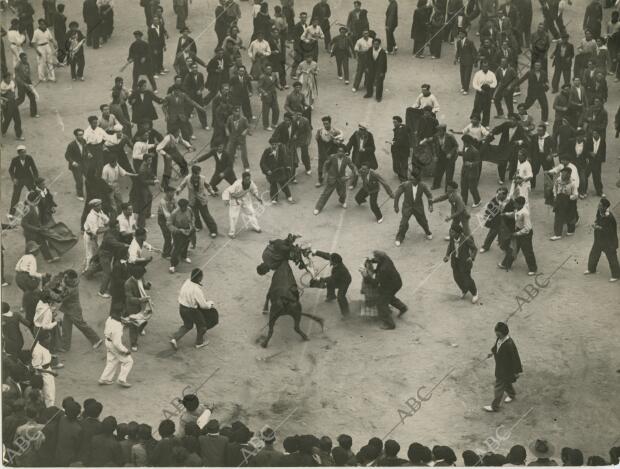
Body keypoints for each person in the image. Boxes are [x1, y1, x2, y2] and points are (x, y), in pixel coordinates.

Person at [53, 269, 102, 351]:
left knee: (82, 325)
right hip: (69, 309)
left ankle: (96, 340)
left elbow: (59, 298)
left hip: (73, 311)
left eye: (66, 277)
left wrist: (51, 292)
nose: (65, 278)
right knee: (66, 327)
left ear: (71, 279)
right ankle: (65, 346)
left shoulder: (70, 290)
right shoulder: (71, 282)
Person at [170, 268, 217, 350]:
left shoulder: (187, 282)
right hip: (192, 311)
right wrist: (210, 304)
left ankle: (174, 339)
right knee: (202, 325)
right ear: (199, 278)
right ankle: (199, 343)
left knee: (187, 325)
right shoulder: (196, 290)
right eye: (201, 277)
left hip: (182, 308)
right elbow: (203, 306)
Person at [483, 321, 522, 412]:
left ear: (503, 334)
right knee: (507, 382)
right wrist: (492, 352)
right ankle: (512, 394)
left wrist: (516, 371)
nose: (496, 335)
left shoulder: (509, 344)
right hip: (501, 367)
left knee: (498, 387)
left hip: (506, 370)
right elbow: (496, 346)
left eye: (498, 334)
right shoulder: (499, 338)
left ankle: (495, 406)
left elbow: (515, 358)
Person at [499, 195, 538, 275]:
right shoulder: (518, 209)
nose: (514, 204)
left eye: (515, 203)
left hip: (525, 234)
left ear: (520, 204)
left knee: (527, 251)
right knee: (513, 248)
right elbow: (514, 214)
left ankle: (533, 269)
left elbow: (527, 228)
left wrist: (517, 234)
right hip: (518, 231)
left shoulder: (525, 213)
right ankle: (506, 264)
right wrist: (505, 214)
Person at [368, 250, 407, 329]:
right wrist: (370, 261)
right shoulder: (386, 258)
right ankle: (402, 307)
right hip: (396, 282)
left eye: (375, 257)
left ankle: (390, 324)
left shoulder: (383, 269)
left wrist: (366, 275)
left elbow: (375, 283)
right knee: (388, 296)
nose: (375, 259)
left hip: (390, 286)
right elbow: (378, 261)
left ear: (379, 258)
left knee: (382, 304)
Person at [177, 165, 218, 238]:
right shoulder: (187, 178)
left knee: (206, 215)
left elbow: (208, 186)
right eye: (195, 173)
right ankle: (198, 226)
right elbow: (181, 186)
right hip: (192, 200)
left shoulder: (202, 178)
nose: (197, 175)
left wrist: (212, 192)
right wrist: (178, 190)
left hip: (202, 200)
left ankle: (213, 230)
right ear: (192, 173)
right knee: (195, 215)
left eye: (198, 173)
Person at [314, 146, 357, 214]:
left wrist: (353, 173)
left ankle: (342, 201)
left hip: (341, 178)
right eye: (338, 151)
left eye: (341, 151)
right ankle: (318, 208)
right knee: (326, 194)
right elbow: (325, 164)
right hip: (332, 178)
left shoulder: (347, 159)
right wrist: (324, 173)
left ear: (344, 153)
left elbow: (353, 166)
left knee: (343, 193)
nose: (340, 153)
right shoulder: (332, 157)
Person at [585, 197, 619, 282]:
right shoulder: (599, 212)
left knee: (612, 258)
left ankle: (616, 275)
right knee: (594, 253)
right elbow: (597, 219)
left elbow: (610, 231)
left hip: (609, 241)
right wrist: (596, 224)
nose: (598, 207)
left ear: (605, 207)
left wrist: (599, 227)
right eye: (598, 205)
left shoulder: (610, 218)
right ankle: (591, 269)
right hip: (599, 239)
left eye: (600, 206)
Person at [394, 171, 433, 245]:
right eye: (410, 178)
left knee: (423, 221)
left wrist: (430, 206)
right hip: (407, 207)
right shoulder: (405, 184)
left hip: (418, 207)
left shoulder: (423, 185)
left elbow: (429, 196)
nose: (410, 180)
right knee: (403, 223)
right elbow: (397, 195)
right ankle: (399, 237)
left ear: (418, 180)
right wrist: (396, 206)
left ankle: (427, 232)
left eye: (413, 179)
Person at [444, 223, 479, 303]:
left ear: (458, 233)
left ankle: (475, 293)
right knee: (457, 278)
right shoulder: (452, 238)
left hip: (464, 262)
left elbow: (474, 249)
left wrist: (472, 257)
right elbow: (450, 246)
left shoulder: (466, 239)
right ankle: (464, 289)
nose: (450, 233)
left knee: (467, 279)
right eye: (450, 231)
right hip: (455, 262)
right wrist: (447, 255)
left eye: (452, 232)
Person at [222, 171, 263, 238]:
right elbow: (227, 191)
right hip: (235, 199)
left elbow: (254, 190)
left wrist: (257, 197)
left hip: (245, 197)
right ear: (243, 179)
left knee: (251, 212)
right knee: (233, 217)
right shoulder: (237, 184)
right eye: (246, 179)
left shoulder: (251, 182)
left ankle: (256, 227)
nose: (248, 181)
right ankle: (231, 233)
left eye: (249, 179)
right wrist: (226, 200)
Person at [99, 313, 133, 387]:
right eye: (127, 319)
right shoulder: (118, 328)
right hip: (114, 345)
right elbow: (117, 344)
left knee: (112, 361)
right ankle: (121, 379)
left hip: (107, 341)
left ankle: (104, 378)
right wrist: (125, 351)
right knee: (128, 361)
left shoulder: (110, 318)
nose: (128, 321)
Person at [260, 140, 294, 204]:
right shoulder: (267, 151)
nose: (274, 146)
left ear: (277, 144)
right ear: (270, 145)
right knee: (273, 184)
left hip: (280, 171)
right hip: (271, 172)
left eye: (275, 144)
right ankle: (274, 197)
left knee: (283, 183)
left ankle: (288, 195)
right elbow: (262, 163)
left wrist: (287, 166)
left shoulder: (281, 151)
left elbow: (285, 159)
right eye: (272, 144)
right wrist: (267, 170)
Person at [8, 144, 38, 217]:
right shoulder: (14, 160)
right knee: (15, 196)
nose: (24, 154)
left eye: (25, 152)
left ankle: (27, 207)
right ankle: (11, 213)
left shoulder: (29, 158)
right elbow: (10, 170)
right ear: (19, 153)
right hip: (19, 180)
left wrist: (36, 180)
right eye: (22, 153)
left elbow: (34, 169)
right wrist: (14, 178)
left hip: (28, 179)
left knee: (34, 193)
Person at [550, 166, 578, 240]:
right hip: (560, 199)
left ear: (569, 175)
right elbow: (554, 188)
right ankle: (558, 234)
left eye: (564, 174)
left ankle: (571, 230)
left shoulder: (573, 183)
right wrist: (555, 195)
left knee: (570, 216)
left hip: (569, 200)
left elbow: (575, 195)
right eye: (562, 174)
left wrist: (568, 198)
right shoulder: (558, 180)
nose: (562, 176)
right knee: (558, 216)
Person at [168, 198, 195, 273]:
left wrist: (192, 225)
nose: (184, 208)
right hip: (178, 231)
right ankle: (173, 265)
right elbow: (169, 224)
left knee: (186, 244)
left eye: (185, 206)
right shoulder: (174, 213)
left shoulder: (189, 209)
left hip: (187, 229)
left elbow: (192, 217)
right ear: (179, 206)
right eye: (182, 207)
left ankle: (184, 256)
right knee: (177, 248)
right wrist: (178, 230)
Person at [315, 115, 343, 187]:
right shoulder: (320, 131)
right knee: (321, 166)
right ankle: (320, 180)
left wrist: (336, 141)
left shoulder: (335, 131)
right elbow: (317, 139)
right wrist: (318, 136)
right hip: (323, 151)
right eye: (324, 124)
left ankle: (334, 179)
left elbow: (340, 141)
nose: (325, 125)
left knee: (333, 166)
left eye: (327, 123)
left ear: (330, 123)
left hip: (332, 151)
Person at [83, 199, 109, 272]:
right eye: (97, 205)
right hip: (90, 237)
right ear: (93, 207)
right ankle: (87, 270)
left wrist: (107, 223)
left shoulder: (100, 212)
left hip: (98, 237)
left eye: (100, 204)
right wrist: (108, 228)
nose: (100, 206)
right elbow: (96, 231)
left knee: (96, 253)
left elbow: (107, 220)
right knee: (90, 254)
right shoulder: (91, 216)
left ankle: (93, 268)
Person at [31, 332, 57, 406]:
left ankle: (51, 407)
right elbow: (36, 367)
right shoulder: (37, 351)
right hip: (43, 374)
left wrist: (51, 356)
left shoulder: (44, 345)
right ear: (43, 340)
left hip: (48, 370)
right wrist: (51, 372)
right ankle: (49, 410)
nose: (50, 339)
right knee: (48, 394)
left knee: (52, 391)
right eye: (48, 338)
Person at [431, 124, 459, 190]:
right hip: (440, 156)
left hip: (449, 158)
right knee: (438, 171)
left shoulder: (450, 137)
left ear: (444, 131)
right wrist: (435, 155)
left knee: (449, 173)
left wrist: (450, 153)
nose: (438, 133)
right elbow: (434, 146)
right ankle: (436, 185)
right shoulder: (435, 136)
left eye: (439, 131)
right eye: (437, 131)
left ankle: (448, 188)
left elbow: (456, 146)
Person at [472, 60, 497, 126]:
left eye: (486, 66)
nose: (485, 68)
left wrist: (490, 86)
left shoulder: (492, 74)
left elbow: (495, 83)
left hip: (488, 93)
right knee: (477, 107)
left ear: (488, 67)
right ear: (481, 66)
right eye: (483, 66)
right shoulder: (478, 74)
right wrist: (479, 89)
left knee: (487, 108)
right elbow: (474, 84)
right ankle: (475, 122)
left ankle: (485, 124)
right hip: (480, 93)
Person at [459, 135, 482, 207]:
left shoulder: (475, 151)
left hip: (472, 173)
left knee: (472, 188)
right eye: (463, 142)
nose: (464, 144)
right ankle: (464, 201)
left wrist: (471, 164)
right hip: (465, 171)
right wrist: (458, 153)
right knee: (463, 187)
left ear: (469, 143)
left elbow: (478, 162)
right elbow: (464, 154)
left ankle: (478, 201)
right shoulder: (465, 148)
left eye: (465, 142)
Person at [257, 64, 282, 131]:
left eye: (270, 69)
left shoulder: (274, 75)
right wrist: (264, 93)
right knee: (266, 112)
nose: (269, 70)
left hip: (274, 96)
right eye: (267, 69)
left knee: (276, 110)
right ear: (265, 70)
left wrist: (280, 87)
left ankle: (274, 123)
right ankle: (266, 125)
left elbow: (276, 83)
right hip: (266, 96)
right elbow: (259, 87)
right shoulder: (262, 77)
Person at [14, 52, 38, 118]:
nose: (26, 59)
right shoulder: (17, 66)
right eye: (24, 58)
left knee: (32, 97)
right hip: (21, 85)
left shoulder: (27, 63)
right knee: (21, 99)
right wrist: (24, 84)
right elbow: (17, 78)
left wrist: (30, 83)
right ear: (21, 59)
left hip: (27, 83)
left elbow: (28, 74)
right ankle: (11, 108)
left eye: (26, 58)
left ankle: (33, 114)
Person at [0, 72, 23, 140]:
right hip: (7, 105)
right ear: (4, 79)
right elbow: (8, 89)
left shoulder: (11, 82)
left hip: (13, 102)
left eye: (10, 77)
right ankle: (3, 130)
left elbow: (14, 86)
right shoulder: (2, 86)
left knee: (17, 119)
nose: (9, 79)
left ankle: (19, 135)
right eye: (8, 78)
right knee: (7, 119)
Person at [455, 29, 478, 95]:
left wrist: (475, 61)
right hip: (462, 61)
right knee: (462, 74)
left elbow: (474, 52)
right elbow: (458, 51)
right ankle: (463, 86)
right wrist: (456, 58)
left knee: (467, 75)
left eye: (461, 34)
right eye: (459, 34)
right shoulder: (458, 42)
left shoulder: (470, 42)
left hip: (469, 61)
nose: (459, 35)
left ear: (464, 35)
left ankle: (466, 89)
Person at [389, 116, 409, 182]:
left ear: (399, 122)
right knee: (400, 165)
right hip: (398, 150)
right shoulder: (399, 128)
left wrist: (393, 143)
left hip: (402, 151)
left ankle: (404, 179)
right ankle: (402, 177)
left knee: (403, 165)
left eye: (395, 122)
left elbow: (401, 141)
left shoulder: (402, 130)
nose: (394, 124)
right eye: (393, 122)